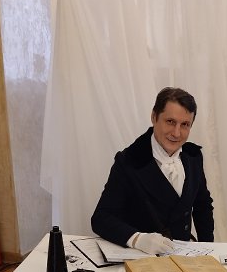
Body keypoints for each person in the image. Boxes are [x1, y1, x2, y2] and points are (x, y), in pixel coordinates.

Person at [91, 87, 214, 255]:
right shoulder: (128, 161)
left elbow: (203, 206)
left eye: (185, 125)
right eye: (170, 121)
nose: (176, 133)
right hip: (142, 258)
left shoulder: (193, 156)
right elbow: (101, 218)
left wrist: (209, 251)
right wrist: (138, 239)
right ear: (154, 117)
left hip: (182, 257)